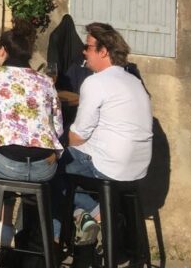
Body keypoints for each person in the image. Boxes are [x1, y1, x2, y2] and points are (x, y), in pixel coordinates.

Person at [65, 22, 152, 246]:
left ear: (103, 51)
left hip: (109, 165)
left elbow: (78, 135)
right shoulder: (134, 81)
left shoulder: (95, 82)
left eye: (88, 47)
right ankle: (91, 218)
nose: (84, 52)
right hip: (138, 169)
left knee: (46, 168)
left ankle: (91, 216)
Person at [0, 28, 63, 245]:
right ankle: (35, 237)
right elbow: (58, 128)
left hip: (6, 165)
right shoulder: (46, 81)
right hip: (45, 167)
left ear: (3, 50)